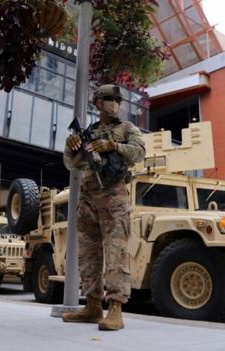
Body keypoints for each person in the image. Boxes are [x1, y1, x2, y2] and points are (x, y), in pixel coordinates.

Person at [61, 84, 146, 331]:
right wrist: (71, 146)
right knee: (88, 255)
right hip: (88, 198)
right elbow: (71, 164)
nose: (115, 103)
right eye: (109, 99)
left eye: (117, 99)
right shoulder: (88, 132)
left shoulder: (127, 129)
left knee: (115, 255)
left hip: (114, 197)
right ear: (98, 103)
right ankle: (92, 306)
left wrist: (114, 146)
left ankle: (116, 310)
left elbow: (140, 153)